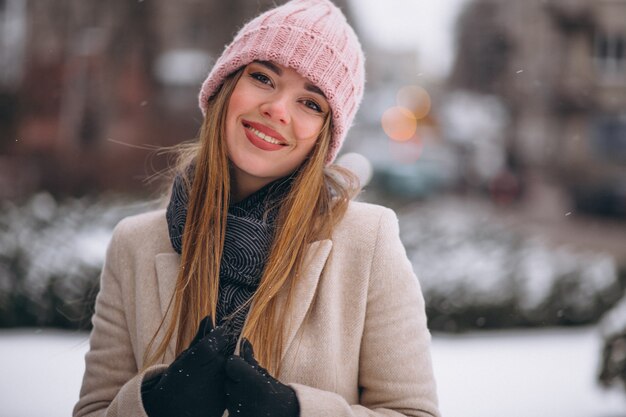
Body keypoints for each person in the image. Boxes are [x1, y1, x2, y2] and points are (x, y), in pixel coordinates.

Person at [73, 0, 441, 416]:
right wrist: (153, 405)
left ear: (325, 135)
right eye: (263, 78)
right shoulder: (133, 245)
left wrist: (295, 411)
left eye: (311, 103)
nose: (278, 109)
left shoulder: (368, 242)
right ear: (225, 86)